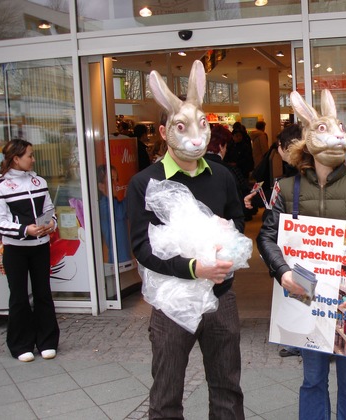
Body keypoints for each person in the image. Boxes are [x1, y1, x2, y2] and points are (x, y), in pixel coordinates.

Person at [257, 90, 346, 419]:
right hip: (306, 297)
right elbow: (267, 237)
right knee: (312, 380)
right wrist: (282, 271)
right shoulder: (286, 189)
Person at [128, 61, 245, 419]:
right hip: (171, 302)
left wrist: (229, 244)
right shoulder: (145, 184)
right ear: (164, 132)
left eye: (203, 125)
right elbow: (142, 247)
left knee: (227, 389)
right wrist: (193, 267)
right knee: (166, 393)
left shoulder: (223, 175)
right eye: (183, 127)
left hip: (220, 297)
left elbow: (238, 221)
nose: (196, 137)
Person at [0, 139, 60, 363]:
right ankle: (21, 344)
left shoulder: (39, 181)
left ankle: (47, 341)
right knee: (19, 296)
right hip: (15, 249)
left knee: (43, 293)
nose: (33, 159)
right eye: (29, 156)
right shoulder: (1, 187)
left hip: (40, 246)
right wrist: (25, 229)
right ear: (16, 158)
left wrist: (51, 223)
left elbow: (49, 210)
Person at [244, 123, 303, 358]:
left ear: (284, 148)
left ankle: (301, 339)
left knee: (296, 290)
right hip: (310, 245)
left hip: (293, 244)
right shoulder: (302, 177)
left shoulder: (289, 180)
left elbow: (273, 215)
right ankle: (308, 338)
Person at [205, 124, 253, 221]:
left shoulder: (195, 166)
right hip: (226, 224)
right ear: (221, 147)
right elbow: (238, 201)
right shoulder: (228, 171)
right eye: (226, 146)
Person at [97, 164, 131, 264]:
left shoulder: (114, 202)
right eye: (112, 180)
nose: (116, 184)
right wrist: (128, 196)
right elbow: (119, 214)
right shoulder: (104, 204)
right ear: (101, 186)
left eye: (117, 180)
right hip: (115, 260)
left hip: (125, 258)